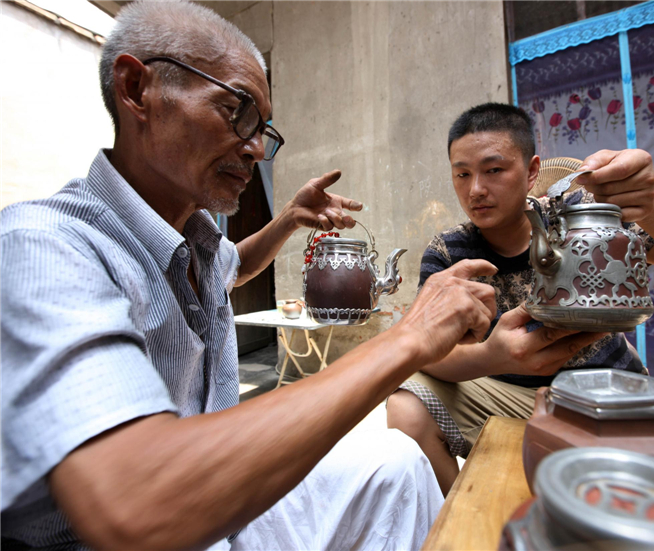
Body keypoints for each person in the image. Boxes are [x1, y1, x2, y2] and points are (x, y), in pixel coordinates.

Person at [0, 3, 500, 550]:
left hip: (222, 520)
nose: (257, 147)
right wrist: (411, 337)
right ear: (136, 87)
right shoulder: (45, 246)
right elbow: (133, 502)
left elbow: (238, 265)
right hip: (135, 532)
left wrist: (289, 218)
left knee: (397, 463)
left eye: (263, 128)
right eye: (236, 110)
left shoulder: (195, 242)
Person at [386, 103, 654, 494]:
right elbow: (429, 351)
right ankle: (461, 515)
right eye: (462, 174)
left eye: (494, 170)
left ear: (531, 171)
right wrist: (494, 356)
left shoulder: (581, 217)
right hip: (507, 396)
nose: (476, 190)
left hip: (604, 389)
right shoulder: (449, 252)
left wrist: (650, 198)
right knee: (406, 400)